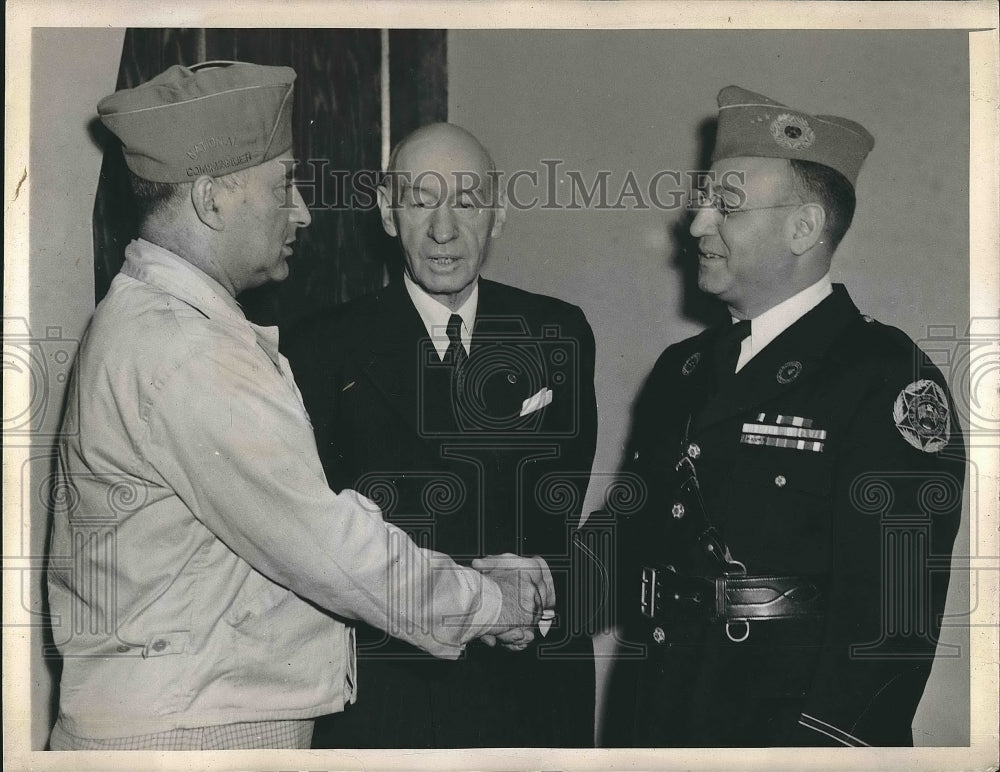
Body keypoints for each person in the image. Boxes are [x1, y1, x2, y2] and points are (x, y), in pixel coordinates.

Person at [46, 62, 549, 752]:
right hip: (193, 738)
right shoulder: (188, 353)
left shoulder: (162, 324)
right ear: (211, 199)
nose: (304, 210)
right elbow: (333, 549)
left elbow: (302, 532)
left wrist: (464, 580)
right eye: (283, 184)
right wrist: (491, 603)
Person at [610, 85, 964, 747]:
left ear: (804, 227)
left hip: (785, 737)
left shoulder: (887, 379)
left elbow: (893, 622)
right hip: (661, 713)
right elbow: (633, 533)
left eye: (727, 206)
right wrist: (533, 591)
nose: (696, 226)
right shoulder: (681, 369)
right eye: (702, 203)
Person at [284, 122, 599, 747]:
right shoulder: (319, 349)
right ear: (387, 212)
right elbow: (329, 540)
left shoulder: (557, 332)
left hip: (531, 688)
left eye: (467, 201)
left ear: (499, 213)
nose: (444, 229)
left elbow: (559, 510)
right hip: (394, 693)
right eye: (421, 201)